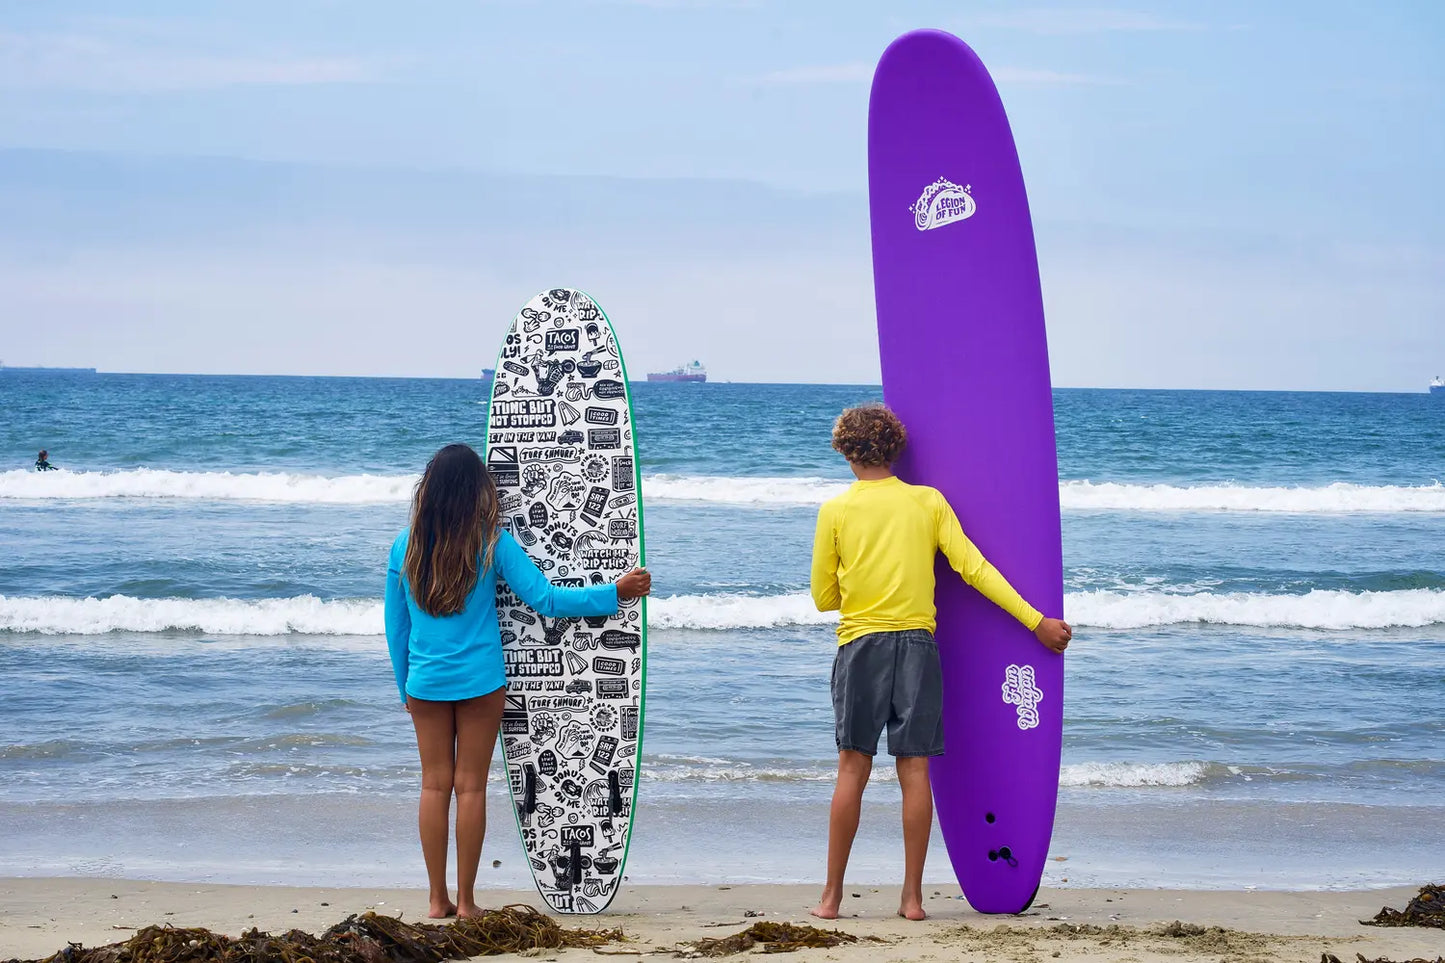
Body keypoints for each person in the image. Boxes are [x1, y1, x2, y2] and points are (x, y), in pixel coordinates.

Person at [808, 404, 1071, 922]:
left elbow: (823, 596)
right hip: (918, 650)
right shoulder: (927, 502)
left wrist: (862, 586)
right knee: (915, 770)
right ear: (895, 450)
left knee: (852, 768)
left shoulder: (835, 511)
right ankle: (911, 899)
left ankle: (831, 899)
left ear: (846, 451)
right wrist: (1035, 621)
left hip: (861, 647)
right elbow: (973, 569)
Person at [384, 443, 650, 919]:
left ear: (431, 491)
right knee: (469, 788)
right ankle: (466, 903)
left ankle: (435, 899)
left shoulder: (406, 545)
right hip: (482, 683)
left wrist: (405, 686)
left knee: (433, 787)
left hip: (425, 682)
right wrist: (615, 591)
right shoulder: (491, 542)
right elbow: (545, 600)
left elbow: (396, 627)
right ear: (474, 492)